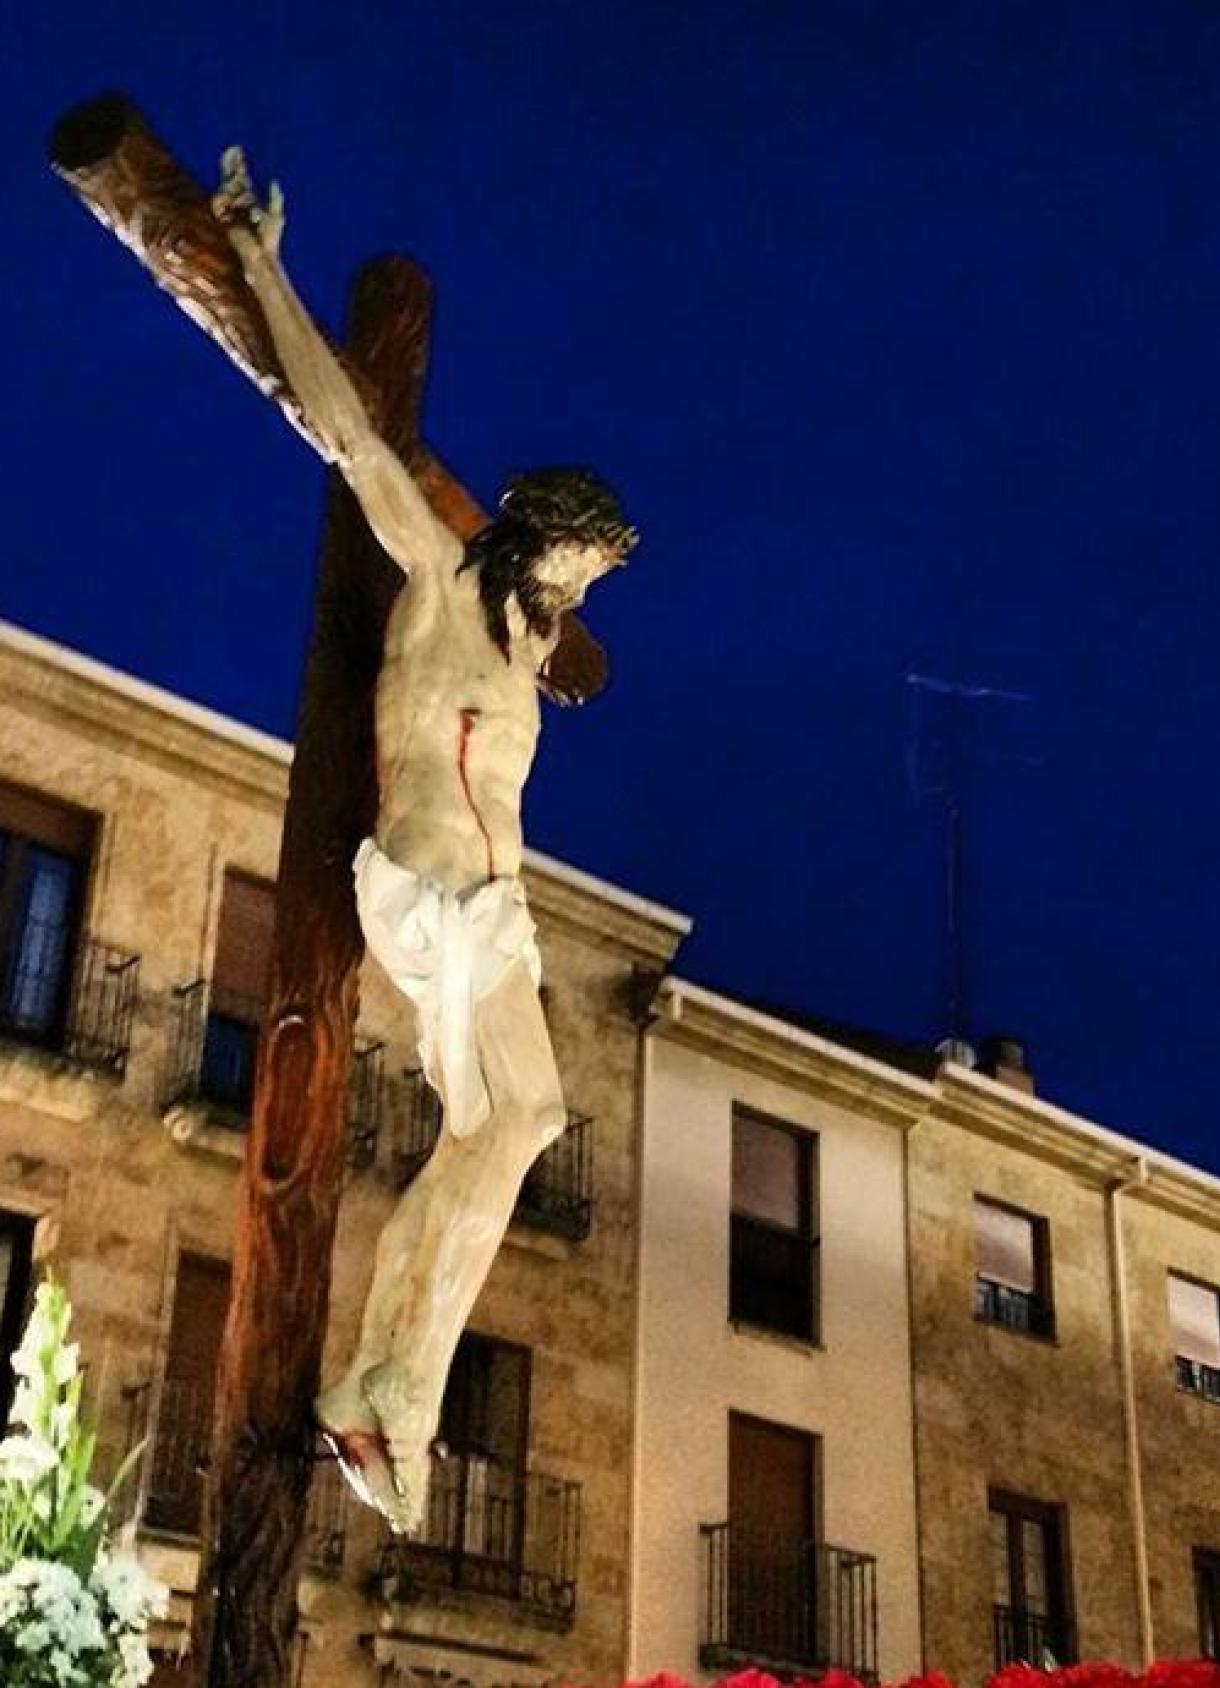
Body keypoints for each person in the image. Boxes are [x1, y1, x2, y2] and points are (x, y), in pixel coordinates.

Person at [212, 148, 638, 1531]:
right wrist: (264, 267)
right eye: (577, 570)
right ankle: (383, 1391)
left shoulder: (522, 656)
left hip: (487, 902)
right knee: (512, 1120)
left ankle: (389, 1388)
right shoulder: (449, 583)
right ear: (541, 541)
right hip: (431, 886)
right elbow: (350, 433)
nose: (576, 597)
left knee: (514, 1127)